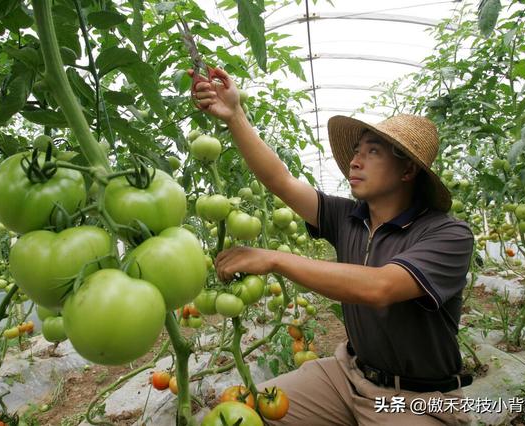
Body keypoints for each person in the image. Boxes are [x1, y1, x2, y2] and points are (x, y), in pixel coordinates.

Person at [191, 68, 474, 425]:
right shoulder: (347, 217)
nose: (355, 161)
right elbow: (279, 179)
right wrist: (235, 115)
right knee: (245, 415)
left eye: (373, 152)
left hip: (417, 397)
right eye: (357, 151)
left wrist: (276, 259)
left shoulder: (447, 234)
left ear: (407, 172)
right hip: (346, 376)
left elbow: (381, 287)